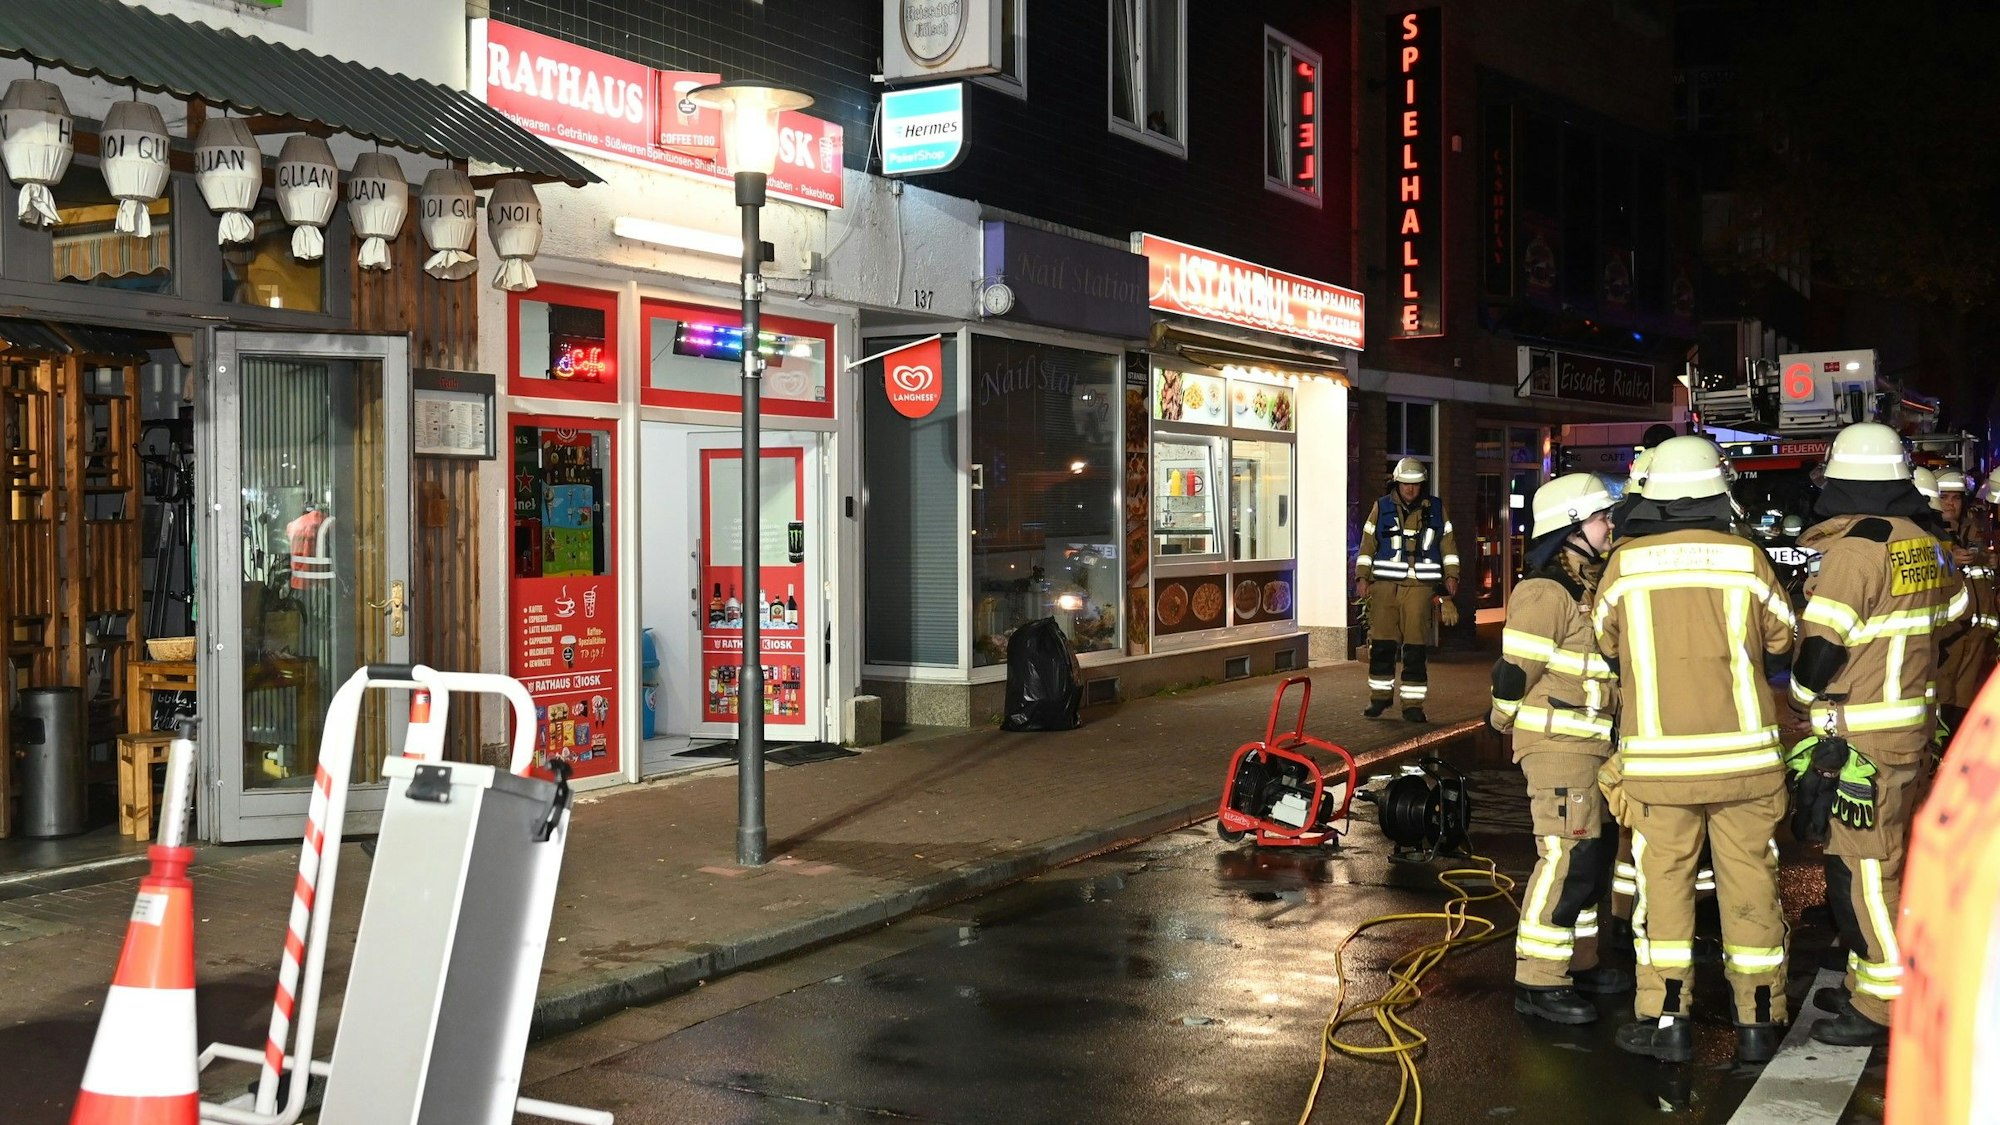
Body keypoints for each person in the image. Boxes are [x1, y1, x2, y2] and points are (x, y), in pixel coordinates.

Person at [1592, 435, 1796, 1064]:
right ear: (1716, 491)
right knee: (1751, 890)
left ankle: (1667, 1022)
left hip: (1660, 769)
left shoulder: (1623, 564)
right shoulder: (1746, 558)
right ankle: (1758, 1023)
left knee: (1666, 890)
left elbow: (1604, 640)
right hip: (1745, 766)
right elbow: (1785, 640)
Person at [1790, 423, 1967, 1047]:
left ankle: (1883, 1006)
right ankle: (1870, 981)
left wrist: (1801, 696)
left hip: (1860, 736)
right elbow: (1954, 614)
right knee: (1885, 861)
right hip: (1907, 729)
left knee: (1863, 870)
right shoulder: (1926, 541)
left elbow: (1818, 653)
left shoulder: (1856, 551)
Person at [1489, 473, 1633, 1024]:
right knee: (1565, 857)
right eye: (1600, 517)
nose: (1608, 525)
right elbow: (1512, 674)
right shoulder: (1544, 592)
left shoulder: (1589, 589)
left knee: (1591, 861)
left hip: (1593, 744)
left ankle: (1581, 961)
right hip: (1558, 746)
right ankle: (1539, 979)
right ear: (1570, 528)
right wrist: (1503, 720)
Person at [1355, 457, 1459, 722]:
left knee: (1415, 648)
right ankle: (1379, 699)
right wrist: (1361, 577)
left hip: (1420, 587)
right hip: (1385, 587)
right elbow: (1368, 544)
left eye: (1415, 484)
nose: (1410, 489)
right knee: (1381, 645)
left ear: (1422, 484)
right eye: (1405, 484)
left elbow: (1448, 545)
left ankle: (1413, 705)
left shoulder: (1436, 509)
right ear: (1397, 483)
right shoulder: (1381, 507)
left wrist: (1452, 575)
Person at [1933, 470, 1995, 742]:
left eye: (1955, 498)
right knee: (1942, 692)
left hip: (1977, 633)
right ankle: (1940, 748)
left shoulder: (1974, 531)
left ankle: (1956, 745)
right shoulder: (1926, 534)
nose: (1950, 504)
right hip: (1947, 634)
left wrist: (1990, 560)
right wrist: (1948, 558)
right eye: (1943, 497)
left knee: (1966, 696)